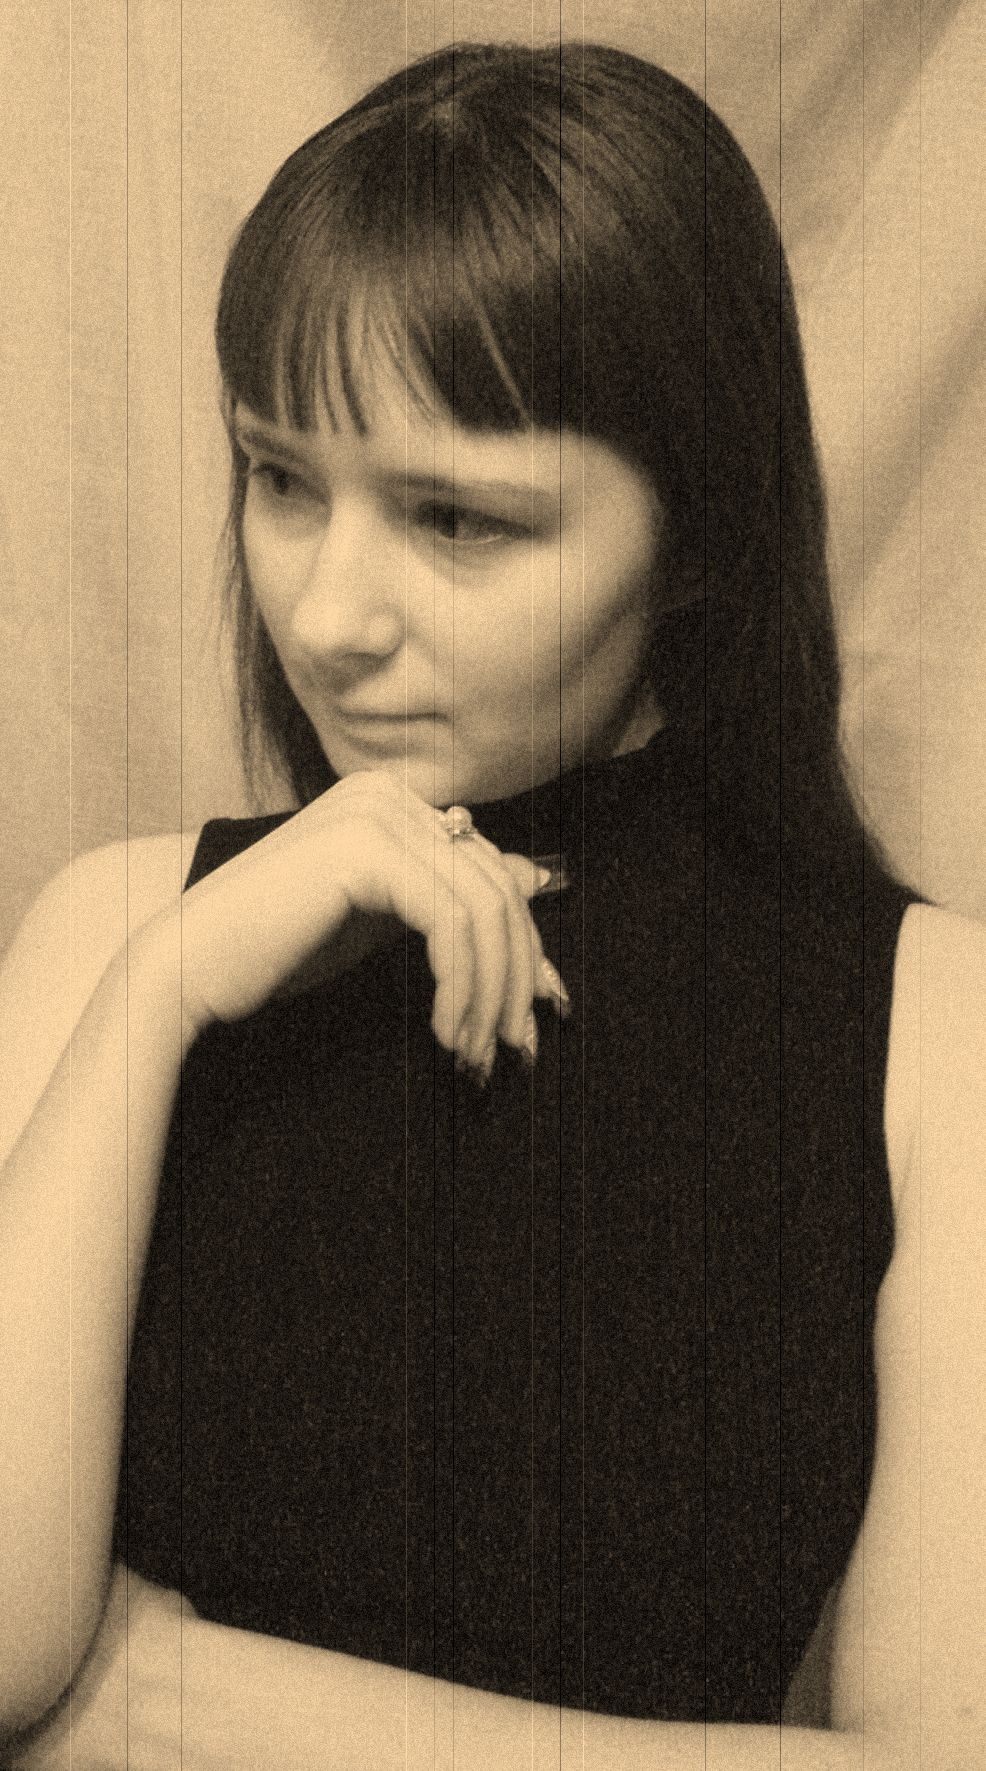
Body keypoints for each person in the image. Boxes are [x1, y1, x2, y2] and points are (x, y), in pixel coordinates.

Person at [1, 39, 984, 1771]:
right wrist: (158, 994)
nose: (327, 617)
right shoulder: (122, 928)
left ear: (698, 539)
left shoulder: (933, 1036)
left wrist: (179, 1706)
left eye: (456, 520)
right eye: (281, 477)